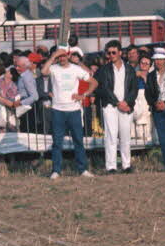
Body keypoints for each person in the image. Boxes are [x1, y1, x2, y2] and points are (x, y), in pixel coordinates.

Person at [42, 46, 93, 178]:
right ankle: (56, 170)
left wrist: (84, 95)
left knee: (78, 141)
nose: (62, 58)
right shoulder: (53, 68)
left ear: (69, 56)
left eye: (64, 55)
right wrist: (53, 56)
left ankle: (82, 169)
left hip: (74, 110)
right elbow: (43, 71)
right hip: (58, 110)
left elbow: (93, 82)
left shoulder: (76, 69)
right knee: (57, 142)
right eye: (59, 56)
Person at [92, 40, 138, 173]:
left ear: (120, 53)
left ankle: (126, 165)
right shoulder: (103, 70)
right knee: (111, 136)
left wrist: (127, 103)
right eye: (109, 53)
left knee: (125, 136)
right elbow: (104, 89)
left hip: (126, 106)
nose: (110, 55)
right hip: (110, 106)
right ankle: (111, 166)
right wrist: (118, 103)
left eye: (113, 52)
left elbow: (133, 89)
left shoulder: (130, 69)